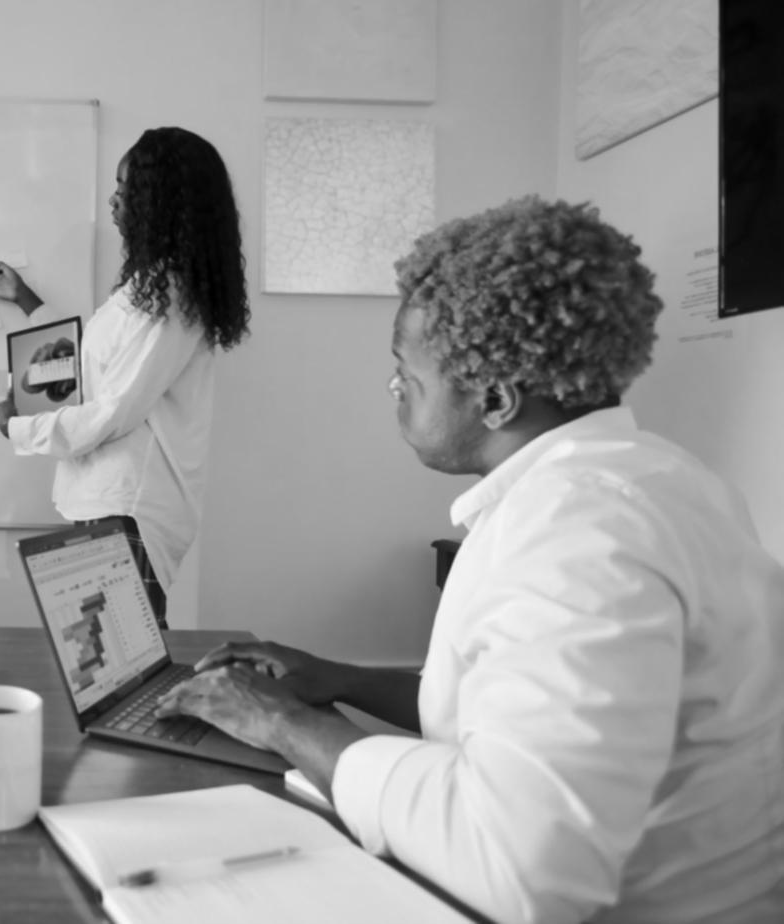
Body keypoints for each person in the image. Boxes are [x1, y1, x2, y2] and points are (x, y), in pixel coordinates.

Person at [157, 197, 784, 924]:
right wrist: (344, 680)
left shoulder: (579, 537)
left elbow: (520, 871)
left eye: (407, 378)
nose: (394, 398)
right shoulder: (657, 479)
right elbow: (517, 707)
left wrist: (283, 725)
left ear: (493, 397)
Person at [0, 126, 250, 629]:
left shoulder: (171, 297)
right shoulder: (152, 286)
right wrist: (26, 299)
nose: (114, 201)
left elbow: (114, 411)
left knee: (117, 668)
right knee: (102, 666)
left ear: (159, 200)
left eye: (125, 188)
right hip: (106, 501)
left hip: (126, 509)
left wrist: (18, 428)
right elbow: (90, 367)